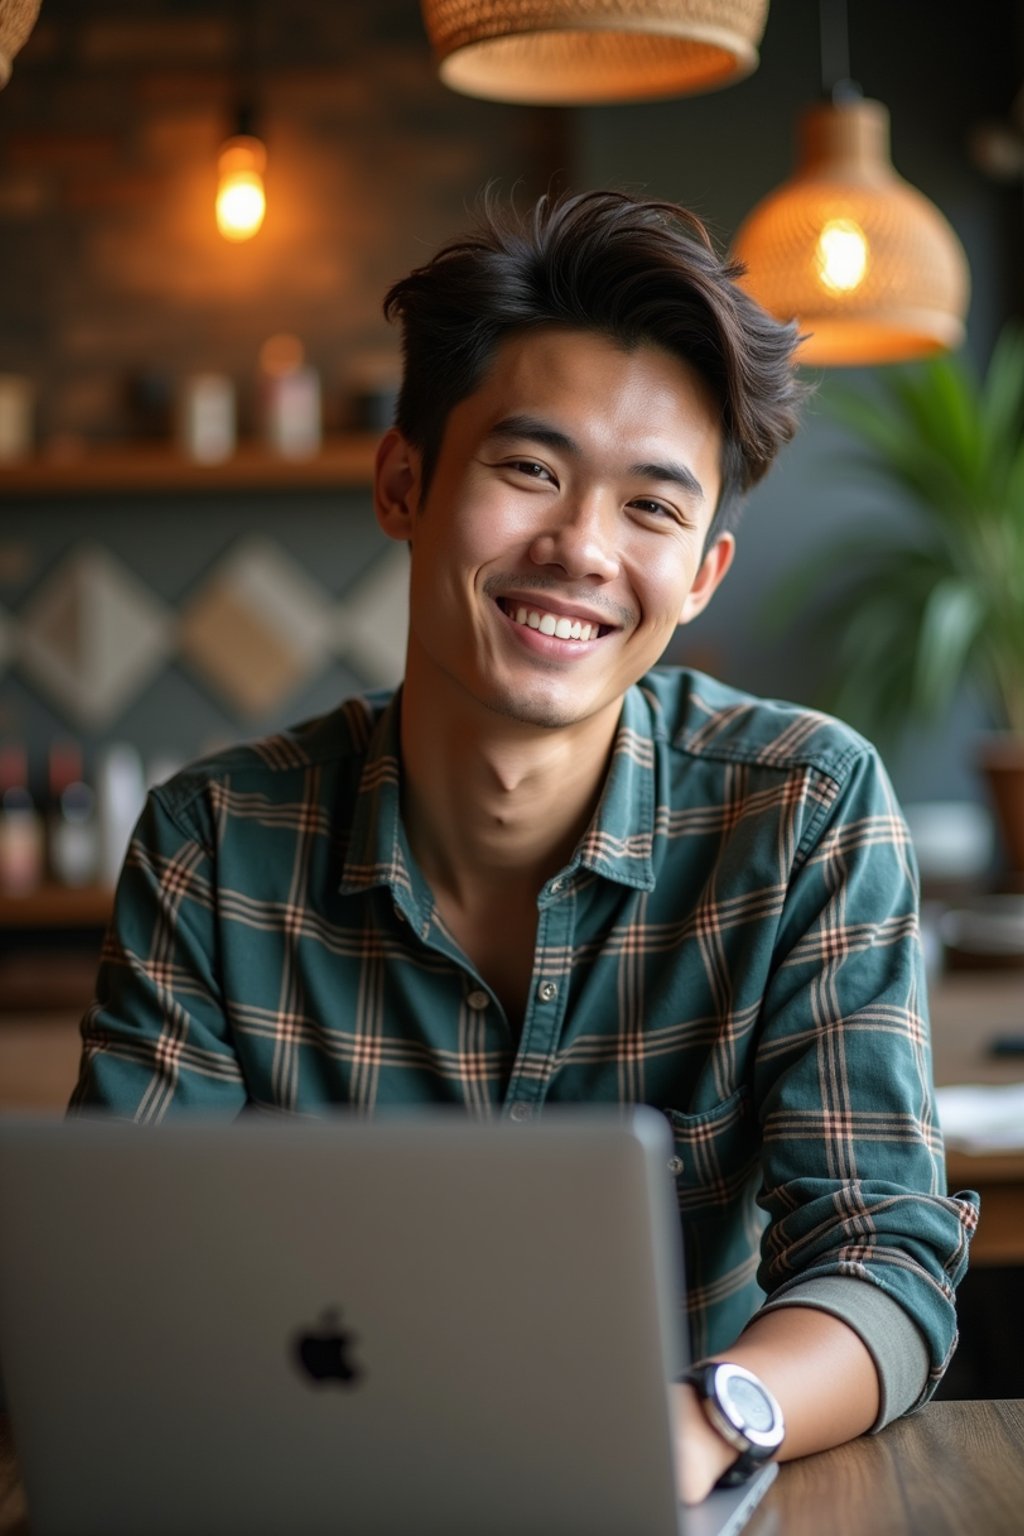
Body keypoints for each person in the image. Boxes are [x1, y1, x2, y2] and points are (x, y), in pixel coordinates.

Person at [70, 189, 978, 1502]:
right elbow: (117, 1269)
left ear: (705, 572)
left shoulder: (802, 811)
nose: (580, 550)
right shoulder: (215, 844)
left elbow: (886, 1253)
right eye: (529, 470)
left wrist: (702, 1420)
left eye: (652, 510)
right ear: (404, 484)